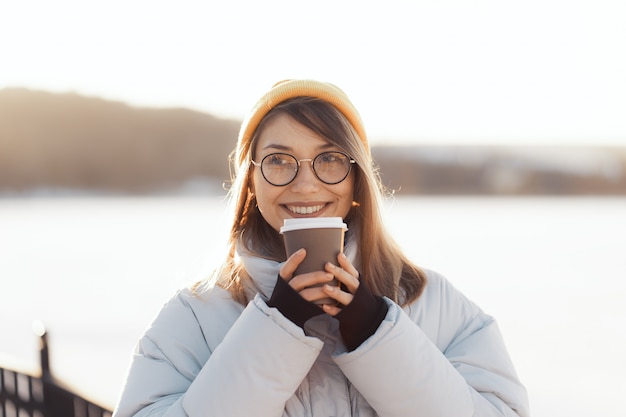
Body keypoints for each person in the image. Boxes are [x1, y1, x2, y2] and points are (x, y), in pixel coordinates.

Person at [113, 79, 529, 417]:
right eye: (278, 160)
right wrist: (277, 328)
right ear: (252, 184)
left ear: (357, 181)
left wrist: (375, 330)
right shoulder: (195, 315)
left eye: (329, 158)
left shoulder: (431, 302)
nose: (305, 183)